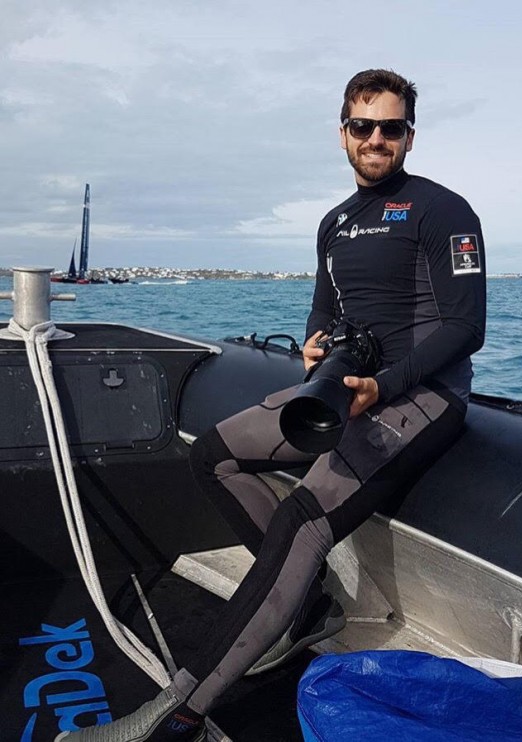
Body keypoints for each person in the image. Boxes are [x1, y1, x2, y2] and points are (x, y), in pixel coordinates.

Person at [56, 68, 486, 742]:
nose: (376, 139)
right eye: (363, 125)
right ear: (342, 132)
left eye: (391, 127)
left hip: (420, 395)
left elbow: (465, 327)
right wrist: (316, 350)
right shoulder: (335, 223)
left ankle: (180, 713)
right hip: (348, 386)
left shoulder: (443, 210)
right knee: (215, 456)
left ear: (409, 135)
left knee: (301, 522)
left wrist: (384, 386)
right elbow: (323, 309)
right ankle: (305, 604)